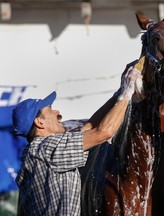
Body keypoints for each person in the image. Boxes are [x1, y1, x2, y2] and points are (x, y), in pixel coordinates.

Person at [13, 61, 142, 216]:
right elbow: (103, 133)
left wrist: (119, 92)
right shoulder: (47, 148)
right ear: (39, 122)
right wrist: (126, 94)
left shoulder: (36, 151)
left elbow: (88, 127)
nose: (58, 113)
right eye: (50, 110)